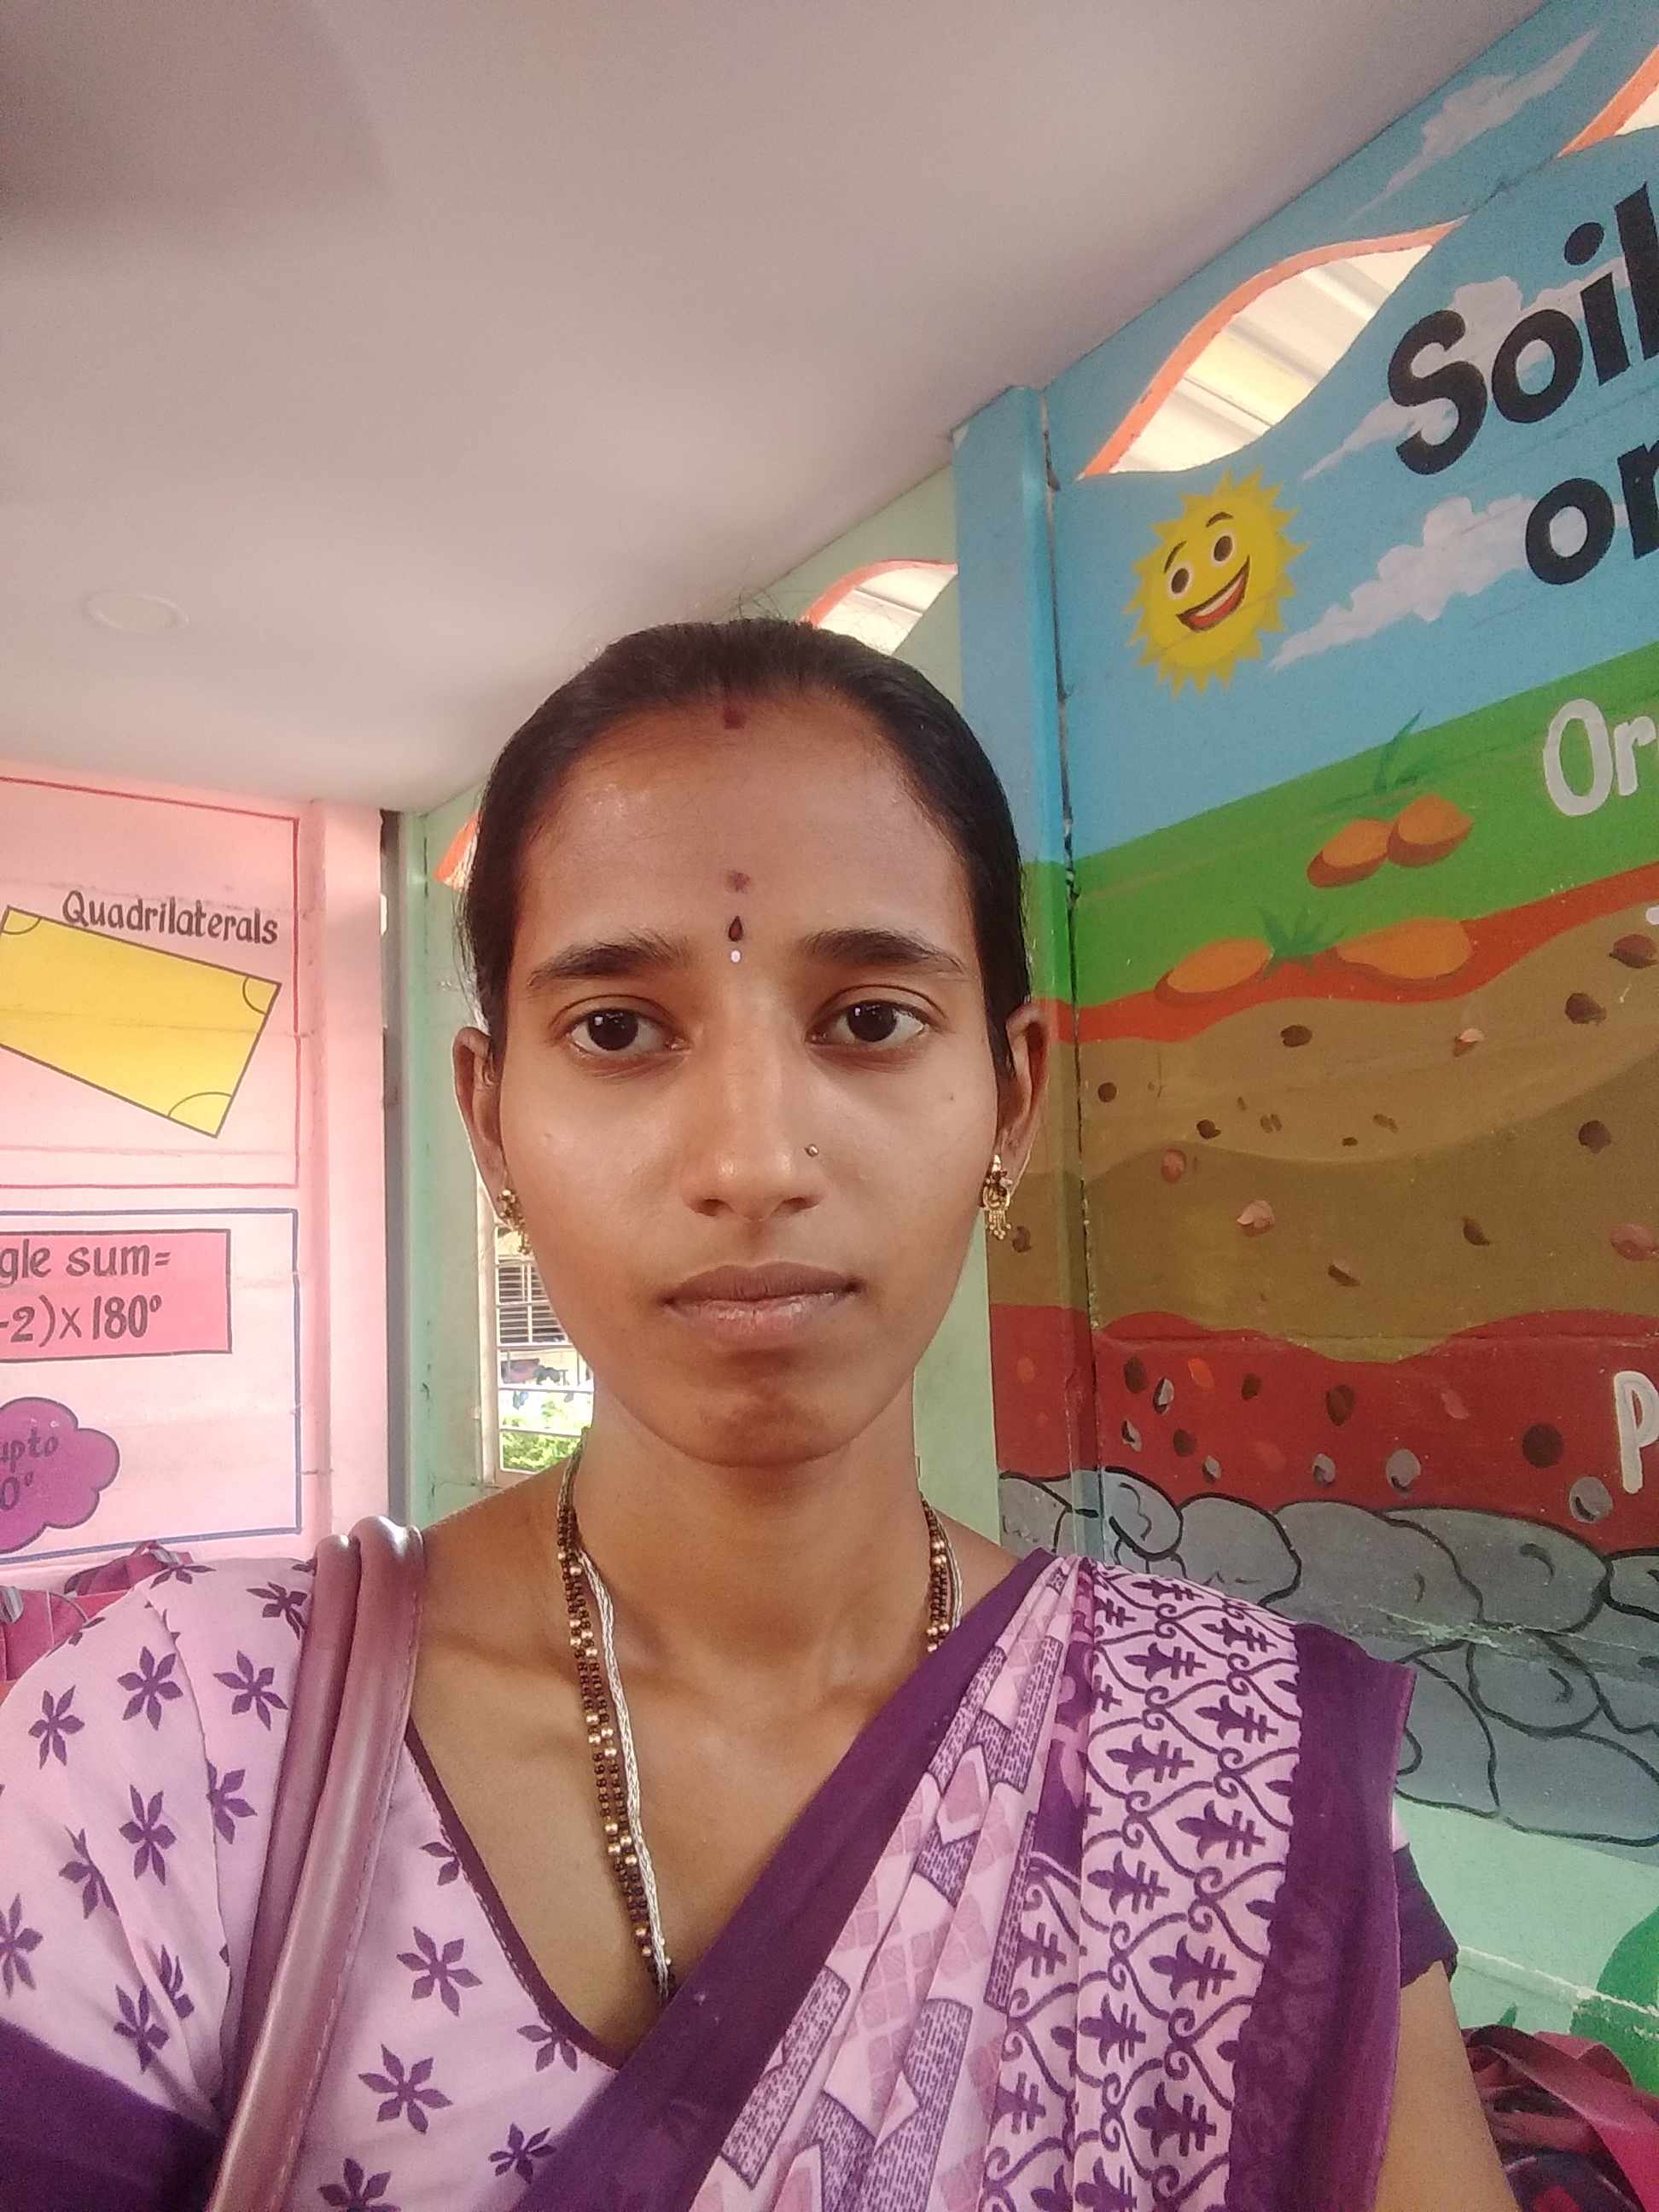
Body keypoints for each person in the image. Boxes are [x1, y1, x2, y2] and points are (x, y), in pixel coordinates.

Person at [0, 619, 1514, 2209]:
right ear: (490, 1119)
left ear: (1012, 1095)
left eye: (869, 1018)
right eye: (617, 1029)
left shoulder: (1228, 1778)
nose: (752, 1162)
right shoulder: (173, 1755)